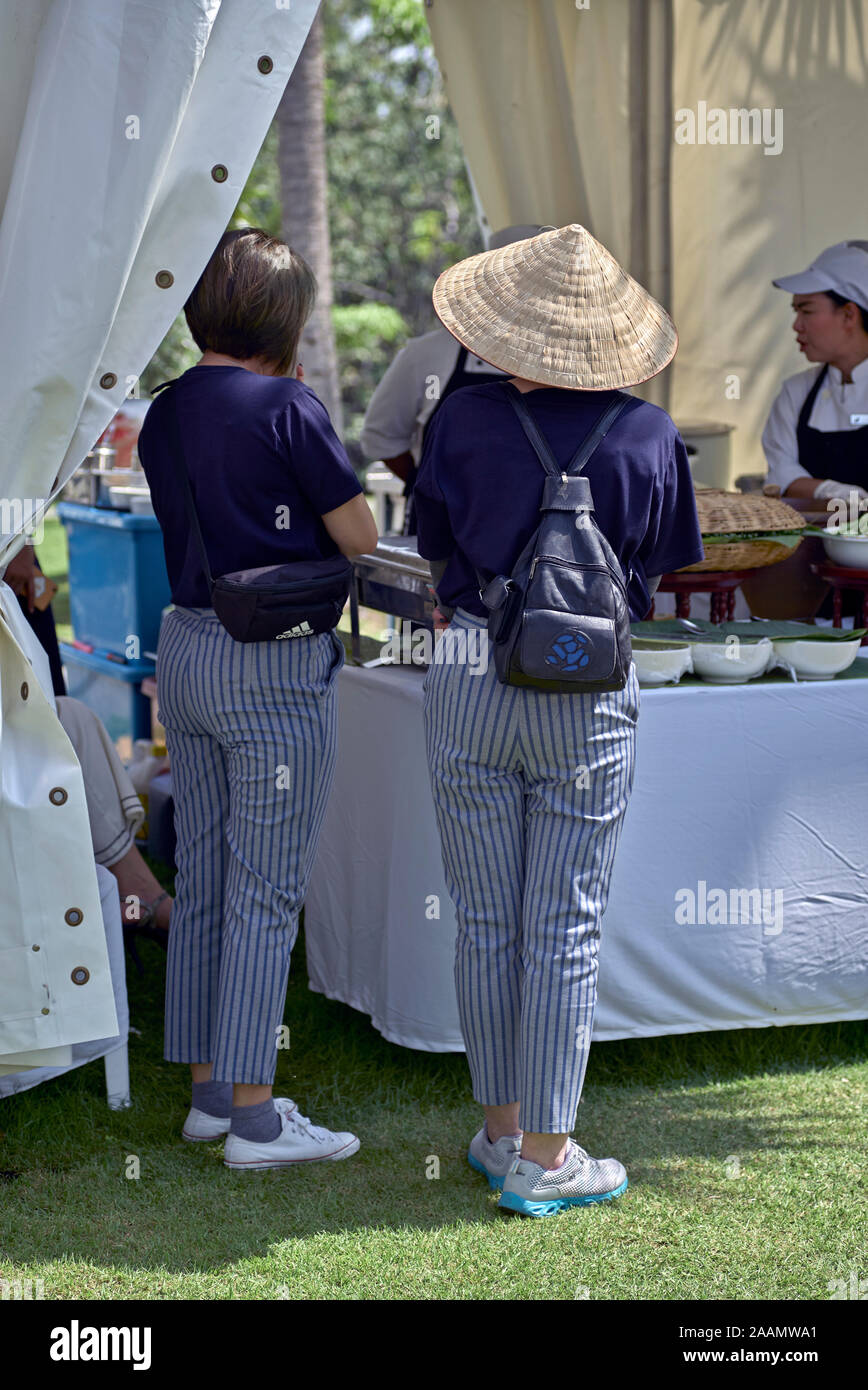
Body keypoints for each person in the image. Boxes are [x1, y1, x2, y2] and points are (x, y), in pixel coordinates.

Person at [414, 224, 703, 1217]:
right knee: (564, 925)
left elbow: (432, 546)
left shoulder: (458, 420)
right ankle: (548, 1152)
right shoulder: (651, 433)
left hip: (466, 673)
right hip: (587, 691)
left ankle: (502, 1132)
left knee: (484, 916)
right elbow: (659, 567)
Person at [137, 227, 377, 1170]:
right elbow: (358, 535)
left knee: (205, 877)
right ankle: (257, 1118)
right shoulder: (289, 407)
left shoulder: (163, 411)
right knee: (267, 891)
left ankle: (206, 1093)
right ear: (287, 316)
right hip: (270, 665)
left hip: (186, 646)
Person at [360, 227, 547, 534]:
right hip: (442, 532)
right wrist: (432, 486)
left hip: (546, 533)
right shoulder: (428, 353)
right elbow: (382, 437)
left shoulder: (581, 363)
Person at [762, 240, 868, 505]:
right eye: (796, 312)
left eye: (806, 311)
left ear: (848, 315)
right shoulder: (795, 392)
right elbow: (780, 474)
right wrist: (832, 491)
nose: (796, 326)